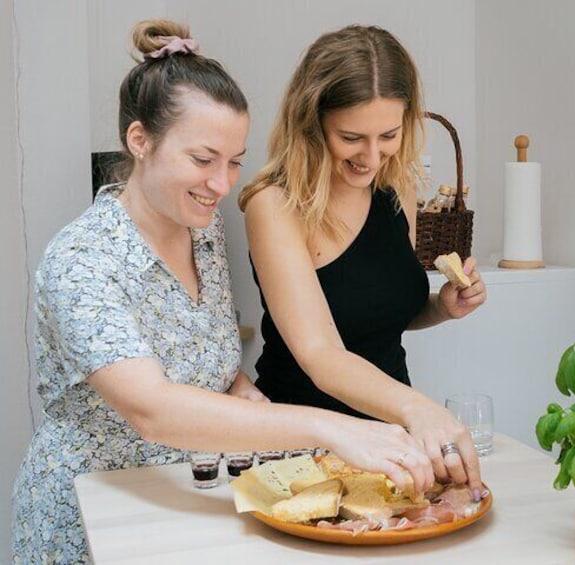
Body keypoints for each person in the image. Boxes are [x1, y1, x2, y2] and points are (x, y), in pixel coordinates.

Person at [12, 20, 433, 565]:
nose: (223, 183)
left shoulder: (200, 227)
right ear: (140, 141)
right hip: (96, 510)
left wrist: (238, 385)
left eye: (234, 161)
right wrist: (332, 427)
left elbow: (194, 351)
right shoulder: (81, 260)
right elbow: (152, 408)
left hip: (189, 491)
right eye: (202, 159)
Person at [238, 25, 488, 497]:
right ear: (311, 124)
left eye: (388, 135)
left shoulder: (397, 188)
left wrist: (440, 306)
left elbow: (377, 312)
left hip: (395, 444)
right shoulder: (273, 206)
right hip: (300, 448)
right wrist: (421, 409)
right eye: (351, 137)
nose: (372, 157)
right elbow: (322, 355)